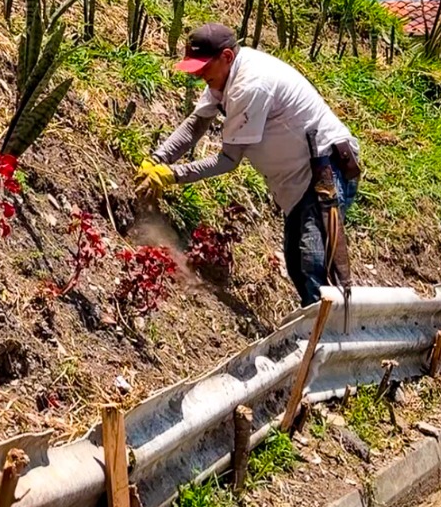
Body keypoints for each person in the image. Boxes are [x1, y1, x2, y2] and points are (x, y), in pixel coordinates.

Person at [134, 23, 361, 307]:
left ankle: (331, 330)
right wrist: (157, 159)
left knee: (312, 264)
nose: (198, 74)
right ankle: (321, 327)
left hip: (324, 171)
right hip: (297, 183)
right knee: (297, 264)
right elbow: (196, 125)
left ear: (227, 56)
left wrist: (172, 174)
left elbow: (228, 159)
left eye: (203, 67)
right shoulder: (224, 78)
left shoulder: (250, 84)